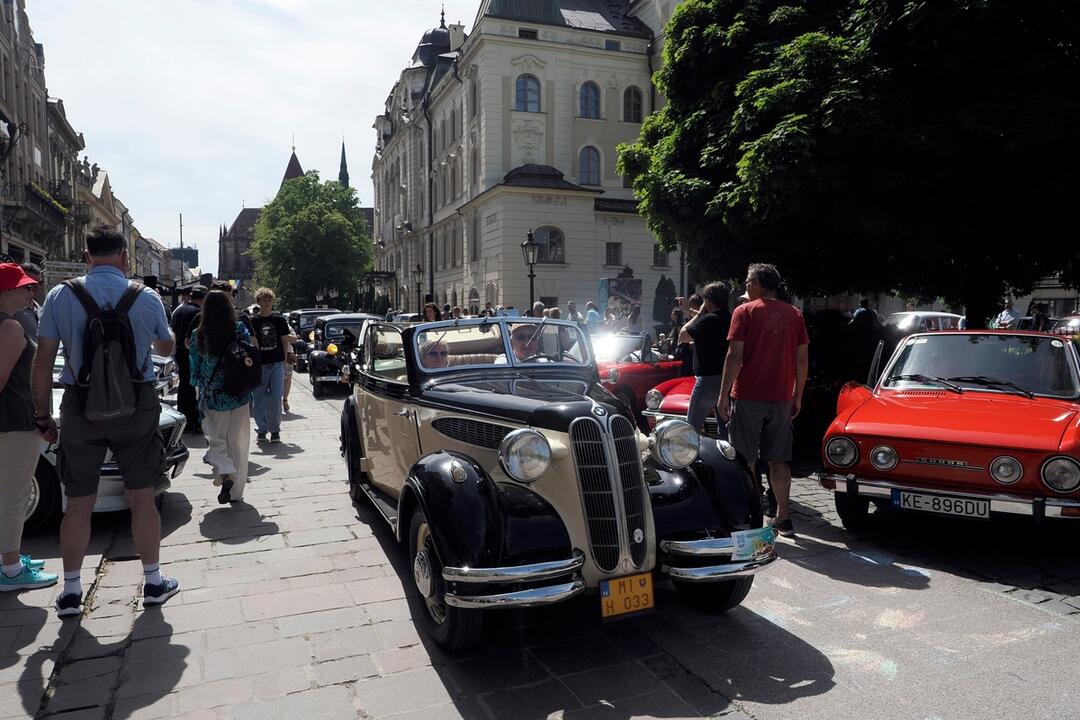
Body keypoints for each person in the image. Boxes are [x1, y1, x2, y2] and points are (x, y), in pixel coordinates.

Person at [31, 226, 179, 615]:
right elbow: (165, 346)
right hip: (136, 403)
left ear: (86, 255)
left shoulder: (61, 295)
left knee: (77, 504)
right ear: (125, 258)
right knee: (142, 498)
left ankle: (71, 592)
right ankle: (152, 581)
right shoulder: (145, 297)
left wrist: (42, 413)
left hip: (80, 405)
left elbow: (43, 359)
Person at [718, 263, 809, 538]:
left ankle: (753, 515)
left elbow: (734, 355)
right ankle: (783, 516)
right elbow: (802, 359)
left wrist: (723, 394)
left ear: (759, 283)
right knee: (779, 460)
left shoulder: (744, 311)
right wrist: (797, 395)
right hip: (781, 396)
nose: (746, 285)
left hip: (747, 394)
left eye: (749, 281)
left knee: (745, 460)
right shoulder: (795, 314)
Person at [0, 264, 57, 592]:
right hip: (12, 422)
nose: (30, 291)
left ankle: (9, 559)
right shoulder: (9, 328)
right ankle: (10, 570)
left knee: (7, 494)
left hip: (10, 421)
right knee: (13, 496)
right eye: (23, 286)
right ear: (6, 291)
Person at [189, 290, 253, 504]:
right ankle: (236, 493)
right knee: (240, 443)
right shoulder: (239, 329)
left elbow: (194, 370)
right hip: (239, 393)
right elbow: (250, 353)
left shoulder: (199, 334)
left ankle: (225, 473)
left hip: (214, 397)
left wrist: (198, 387)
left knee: (216, 441)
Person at [678, 283, 731, 432]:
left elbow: (683, 336)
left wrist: (700, 314)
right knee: (725, 428)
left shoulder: (708, 320)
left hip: (707, 380)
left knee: (691, 427)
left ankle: (691, 455)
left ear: (708, 301)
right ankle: (727, 454)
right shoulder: (731, 318)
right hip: (727, 380)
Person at [249, 288, 291, 444]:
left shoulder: (279, 320)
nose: (267, 303)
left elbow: (284, 340)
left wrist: (285, 360)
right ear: (258, 302)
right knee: (259, 398)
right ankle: (261, 429)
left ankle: (274, 430)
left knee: (275, 397)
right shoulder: (253, 321)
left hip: (276, 363)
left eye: (269, 300)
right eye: (264, 300)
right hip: (260, 364)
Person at [170, 285, 206, 432]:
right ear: (204, 298)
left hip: (178, 350)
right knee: (193, 386)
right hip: (190, 352)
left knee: (184, 385)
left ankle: (184, 418)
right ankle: (193, 420)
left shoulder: (179, 310)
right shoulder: (198, 313)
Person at [13, 262, 42, 338]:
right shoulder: (12, 309)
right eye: (31, 283)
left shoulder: (38, 307)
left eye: (39, 282)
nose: (37, 287)